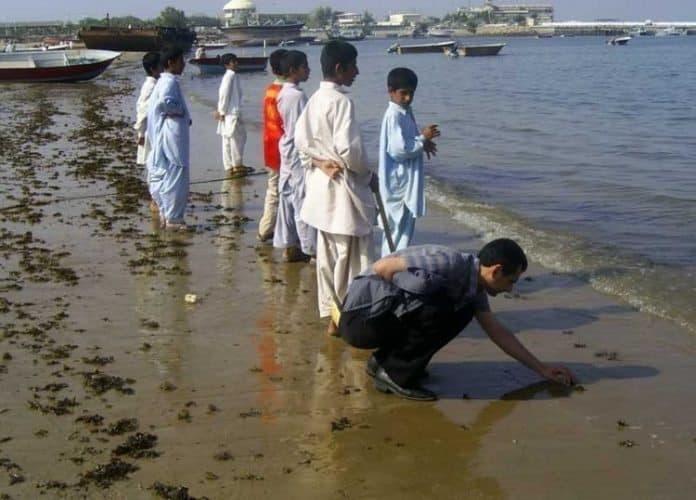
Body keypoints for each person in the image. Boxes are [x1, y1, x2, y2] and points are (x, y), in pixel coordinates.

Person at [338, 239, 578, 401]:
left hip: (370, 320)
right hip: (362, 321)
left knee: (457, 309)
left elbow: (497, 331)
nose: (510, 289)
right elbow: (383, 267)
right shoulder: (449, 263)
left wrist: (542, 369)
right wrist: (399, 295)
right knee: (442, 306)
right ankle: (394, 372)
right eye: (511, 281)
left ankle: (383, 363)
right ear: (495, 271)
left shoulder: (473, 287)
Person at [294, 40, 376, 335]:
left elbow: (300, 141)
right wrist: (368, 173)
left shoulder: (315, 98)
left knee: (329, 260)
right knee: (351, 259)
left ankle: (334, 314)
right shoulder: (341, 102)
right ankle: (342, 318)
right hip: (342, 193)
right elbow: (351, 152)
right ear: (340, 69)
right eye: (353, 66)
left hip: (321, 192)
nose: (357, 71)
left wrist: (317, 160)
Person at [378, 67, 439, 257]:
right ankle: (389, 267)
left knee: (402, 228)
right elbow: (399, 149)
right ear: (391, 91)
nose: (407, 98)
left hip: (404, 180)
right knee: (396, 230)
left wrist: (423, 143)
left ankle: (392, 266)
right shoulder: (394, 115)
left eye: (411, 93)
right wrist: (422, 138)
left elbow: (408, 139)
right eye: (403, 93)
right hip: (398, 183)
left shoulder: (405, 112)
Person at [273, 50, 316, 262]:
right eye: (304, 67)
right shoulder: (296, 96)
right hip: (296, 150)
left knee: (288, 195)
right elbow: (301, 130)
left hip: (288, 148)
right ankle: (309, 247)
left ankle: (290, 243)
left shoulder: (284, 93)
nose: (308, 70)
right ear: (293, 70)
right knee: (300, 197)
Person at [146, 47, 191, 232]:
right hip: (173, 132)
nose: (184, 64)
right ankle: (173, 217)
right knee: (176, 173)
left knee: (167, 172)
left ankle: (167, 213)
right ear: (171, 62)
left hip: (169, 131)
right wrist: (180, 111)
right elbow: (167, 103)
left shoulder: (165, 81)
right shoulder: (169, 82)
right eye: (181, 61)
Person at [257, 48, 288, 243]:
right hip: (281, 148)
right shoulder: (287, 93)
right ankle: (268, 228)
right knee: (281, 191)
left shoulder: (270, 89)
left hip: (269, 144)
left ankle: (266, 227)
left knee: (273, 189)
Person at [134, 51, 162, 213]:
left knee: (155, 165)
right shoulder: (150, 86)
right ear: (153, 68)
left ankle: (156, 198)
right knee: (153, 166)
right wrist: (141, 133)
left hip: (153, 131)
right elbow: (142, 111)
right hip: (149, 133)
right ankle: (154, 199)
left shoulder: (154, 84)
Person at [215, 53, 247, 175]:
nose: (236, 63)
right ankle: (236, 165)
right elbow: (224, 94)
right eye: (233, 62)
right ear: (227, 64)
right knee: (237, 139)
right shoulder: (231, 75)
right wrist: (222, 111)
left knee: (228, 139)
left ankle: (229, 166)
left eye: (236, 61)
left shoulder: (230, 76)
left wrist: (222, 110)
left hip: (229, 112)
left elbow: (224, 95)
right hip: (232, 112)